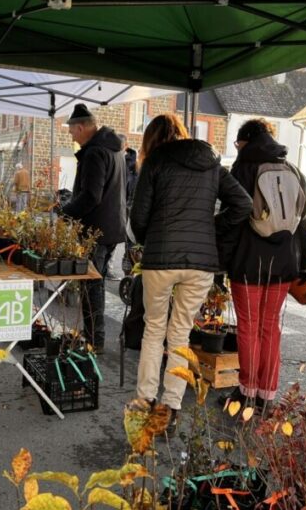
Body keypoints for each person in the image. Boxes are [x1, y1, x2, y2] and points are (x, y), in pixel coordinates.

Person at [130, 114, 251, 431]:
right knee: (180, 333)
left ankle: (145, 402)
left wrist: (150, 239)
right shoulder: (211, 163)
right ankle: (171, 407)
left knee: (154, 330)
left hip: (161, 260)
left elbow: (139, 215)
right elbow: (242, 203)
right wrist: (209, 230)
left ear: (152, 139)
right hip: (200, 264)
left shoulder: (156, 160)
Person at [220, 119, 306, 413]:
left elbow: (232, 219)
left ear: (245, 141)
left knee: (248, 327)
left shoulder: (243, 170)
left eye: (238, 144)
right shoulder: (293, 170)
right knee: (270, 328)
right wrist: (304, 265)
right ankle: (267, 394)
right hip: (283, 263)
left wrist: (220, 261)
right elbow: (303, 223)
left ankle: (247, 392)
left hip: (248, 263)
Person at [60, 104, 126, 353]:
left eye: (71, 130)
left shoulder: (95, 153)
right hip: (112, 226)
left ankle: (94, 341)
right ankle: (93, 337)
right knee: (94, 283)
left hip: (97, 230)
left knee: (92, 285)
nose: (71, 135)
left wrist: (65, 211)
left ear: (81, 127)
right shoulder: (113, 149)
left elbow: (90, 196)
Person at [121, 134, 138, 274]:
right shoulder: (128, 164)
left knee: (133, 241)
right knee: (129, 241)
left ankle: (130, 267)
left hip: (132, 206)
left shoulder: (133, 166)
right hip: (127, 205)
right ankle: (128, 263)